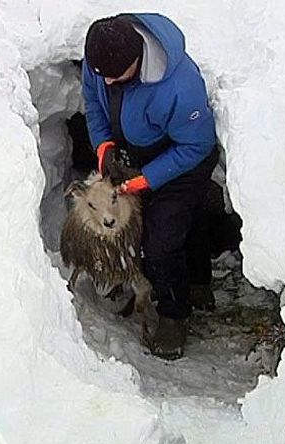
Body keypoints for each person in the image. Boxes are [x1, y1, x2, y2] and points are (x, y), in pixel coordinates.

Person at [82, 13, 218, 360]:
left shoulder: (180, 86)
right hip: (135, 153)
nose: (107, 82)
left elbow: (197, 146)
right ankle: (171, 281)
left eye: (116, 75)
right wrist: (104, 147)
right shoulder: (100, 60)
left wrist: (146, 179)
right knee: (142, 229)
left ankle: (176, 312)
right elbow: (94, 103)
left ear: (137, 61)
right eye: (102, 75)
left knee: (164, 239)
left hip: (183, 159)